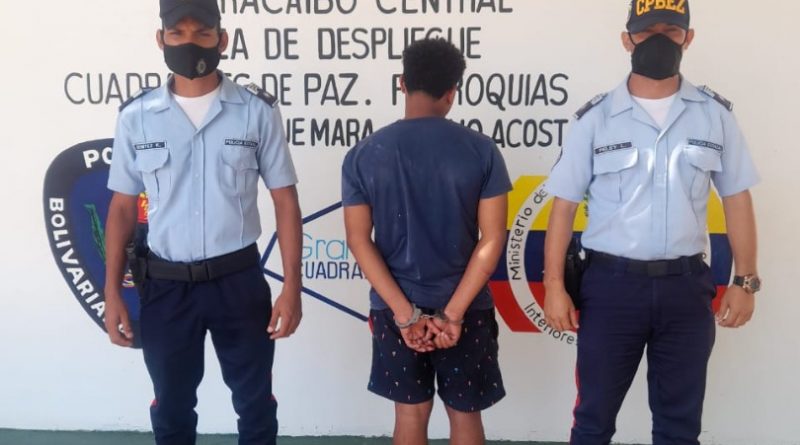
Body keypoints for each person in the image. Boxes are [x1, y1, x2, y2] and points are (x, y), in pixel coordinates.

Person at [543, 1, 761, 444]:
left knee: (680, 427)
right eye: (646, 31)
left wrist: (746, 279)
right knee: (593, 421)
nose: (659, 40)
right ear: (627, 40)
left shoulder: (714, 115)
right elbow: (563, 207)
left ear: (688, 38)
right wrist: (553, 286)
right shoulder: (596, 119)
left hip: (685, 289)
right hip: (611, 289)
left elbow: (737, 197)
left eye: (671, 30)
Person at [103, 1, 303, 444]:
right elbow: (121, 209)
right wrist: (112, 291)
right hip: (166, 287)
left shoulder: (255, 111)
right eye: (177, 33)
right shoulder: (136, 117)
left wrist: (292, 287)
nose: (189, 42)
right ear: (161, 39)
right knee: (171, 409)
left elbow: (285, 202)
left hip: (238, 281)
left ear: (222, 39)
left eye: (202, 33)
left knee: (255, 406)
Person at [342, 38, 511, 445]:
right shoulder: (482, 151)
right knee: (465, 415)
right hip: (467, 308)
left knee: (410, 414)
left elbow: (359, 242)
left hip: (394, 308)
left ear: (402, 83)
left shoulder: (363, 154)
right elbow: (492, 240)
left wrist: (405, 315)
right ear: (452, 92)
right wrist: (453, 314)